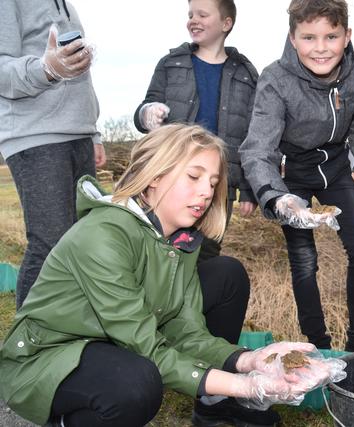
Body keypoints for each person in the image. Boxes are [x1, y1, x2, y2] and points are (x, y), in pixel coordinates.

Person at [0, 124, 335, 427]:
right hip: (47, 357)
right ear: (155, 176)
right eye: (193, 177)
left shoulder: (180, 241)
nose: (206, 192)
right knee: (136, 383)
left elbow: (187, 332)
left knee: (226, 272)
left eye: (213, 182)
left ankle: (211, 404)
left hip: (111, 342)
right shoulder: (103, 235)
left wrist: (248, 360)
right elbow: (147, 347)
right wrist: (243, 385)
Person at [239, 0, 354, 352]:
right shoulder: (275, 79)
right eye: (309, 37)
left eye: (331, 36)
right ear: (293, 38)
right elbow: (257, 149)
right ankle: (317, 344)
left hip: (335, 168)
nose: (320, 48)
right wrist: (276, 195)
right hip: (292, 173)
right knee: (304, 259)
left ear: (347, 36)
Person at [0, 0, 106, 308]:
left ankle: (62, 335)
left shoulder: (66, 5)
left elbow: (80, 75)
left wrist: (93, 130)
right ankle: (25, 349)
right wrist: (47, 69)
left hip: (79, 132)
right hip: (35, 135)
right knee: (51, 243)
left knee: (81, 243)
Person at [134, 0, 258, 261]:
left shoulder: (246, 74)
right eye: (191, 14)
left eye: (203, 14)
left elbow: (252, 136)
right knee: (157, 248)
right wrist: (148, 114)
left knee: (207, 253)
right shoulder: (171, 63)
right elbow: (146, 108)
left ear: (226, 23)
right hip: (171, 175)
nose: (194, 20)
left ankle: (197, 301)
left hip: (217, 184)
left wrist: (248, 189)